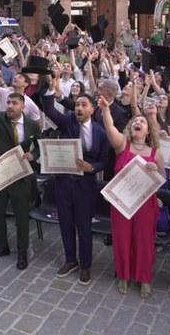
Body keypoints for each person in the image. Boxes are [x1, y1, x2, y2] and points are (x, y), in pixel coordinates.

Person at [42, 81, 109, 286]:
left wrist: (93, 168)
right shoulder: (68, 122)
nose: (79, 108)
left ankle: (86, 266)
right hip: (64, 183)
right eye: (77, 105)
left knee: (84, 227)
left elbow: (104, 160)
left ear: (92, 109)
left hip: (85, 186)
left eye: (83, 105)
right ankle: (71, 260)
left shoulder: (100, 132)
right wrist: (51, 88)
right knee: (65, 224)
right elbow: (49, 109)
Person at [98, 96, 166, 297]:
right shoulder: (122, 146)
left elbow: (163, 178)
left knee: (144, 241)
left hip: (146, 205)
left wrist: (156, 172)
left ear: (148, 131)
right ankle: (124, 275)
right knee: (122, 239)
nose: (138, 123)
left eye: (142, 122)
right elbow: (110, 127)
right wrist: (105, 110)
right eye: (135, 121)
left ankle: (144, 278)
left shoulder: (156, 152)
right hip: (121, 204)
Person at [0, 92, 41, 270]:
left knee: (21, 217)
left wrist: (33, 155)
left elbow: (40, 147)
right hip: (0, 174)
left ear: (23, 106)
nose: (10, 106)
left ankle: (22, 251)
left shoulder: (32, 125)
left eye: (14, 103)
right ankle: (2, 247)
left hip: (20, 176)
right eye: (8, 102)